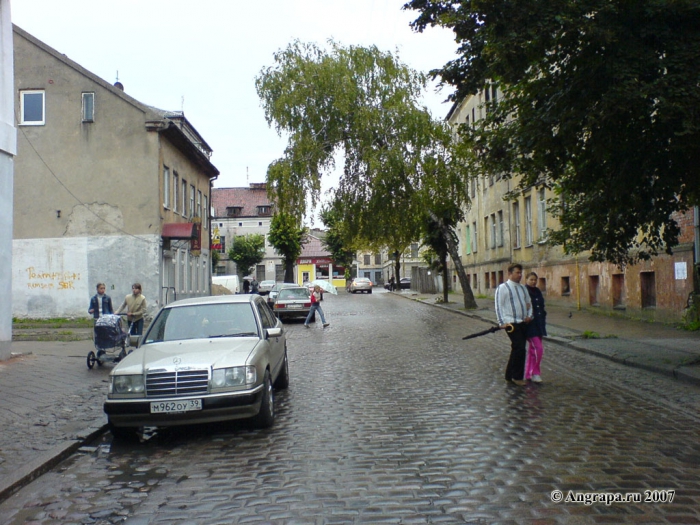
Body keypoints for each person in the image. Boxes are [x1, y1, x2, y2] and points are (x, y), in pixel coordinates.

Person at [495, 263, 533, 386]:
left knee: (516, 348)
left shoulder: (523, 288)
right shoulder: (503, 288)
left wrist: (529, 316)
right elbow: (498, 306)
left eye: (521, 272)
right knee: (520, 348)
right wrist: (502, 322)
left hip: (523, 322)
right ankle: (517, 377)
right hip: (511, 323)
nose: (520, 275)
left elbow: (529, 303)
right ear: (510, 273)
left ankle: (509, 375)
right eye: (517, 272)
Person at [524, 272, 547, 383]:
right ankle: (535, 373)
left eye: (535, 280)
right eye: (531, 279)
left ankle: (528, 373)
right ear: (526, 279)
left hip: (539, 324)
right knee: (539, 349)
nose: (533, 282)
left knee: (533, 351)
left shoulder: (537, 291)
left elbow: (541, 307)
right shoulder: (524, 291)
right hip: (530, 326)